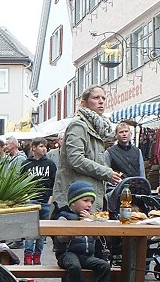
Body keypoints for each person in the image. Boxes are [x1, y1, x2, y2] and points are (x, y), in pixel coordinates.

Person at [52, 85, 122, 214]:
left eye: (103, 98)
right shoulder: (79, 125)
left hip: (88, 197)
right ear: (84, 103)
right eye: (96, 98)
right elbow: (76, 159)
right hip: (75, 200)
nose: (101, 101)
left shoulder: (98, 127)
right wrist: (107, 173)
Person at [53, 181, 112, 282]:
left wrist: (91, 224)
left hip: (86, 255)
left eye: (91, 201)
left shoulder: (90, 218)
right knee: (74, 267)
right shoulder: (64, 217)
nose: (89, 205)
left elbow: (96, 237)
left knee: (104, 266)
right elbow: (60, 237)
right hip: (68, 253)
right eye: (85, 201)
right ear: (73, 203)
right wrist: (79, 226)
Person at [22, 138, 57, 265]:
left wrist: (50, 199)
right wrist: (26, 197)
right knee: (31, 230)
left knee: (43, 232)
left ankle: (38, 255)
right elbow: (21, 182)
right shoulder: (26, 164)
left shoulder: (50, 164)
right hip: (31, 200)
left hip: (45, 200)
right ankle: (28, 255)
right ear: (34, 148)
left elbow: (54, 182)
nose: (44, 149)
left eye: (45, 146)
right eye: (41, 146)